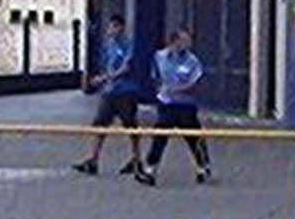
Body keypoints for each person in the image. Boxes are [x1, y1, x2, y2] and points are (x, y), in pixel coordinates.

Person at [135, 27, 212, 187]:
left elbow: (196, 82)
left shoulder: (192, 61)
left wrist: (180, 89)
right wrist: (161, 92)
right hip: (167, 104)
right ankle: (150, 170)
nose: (188, 43)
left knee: (194, 138)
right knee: (160, 137)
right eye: (185, 40)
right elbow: (155, 77)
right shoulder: (159, 57)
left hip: (185, 105)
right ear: (175, 41)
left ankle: (203, 167)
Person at [73, 14, 142, 176]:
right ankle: (93, 160)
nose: (110, 30)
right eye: (110, 27)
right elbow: (105, 65)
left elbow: (126, 67)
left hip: (126, 91)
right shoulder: (109, 46)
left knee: (131, 126)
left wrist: (106, 78)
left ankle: (136, 159)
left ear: (121, 28)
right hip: (109, 92)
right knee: (100, 125)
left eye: (114, 27)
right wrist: (100, 79)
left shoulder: (128, 45)